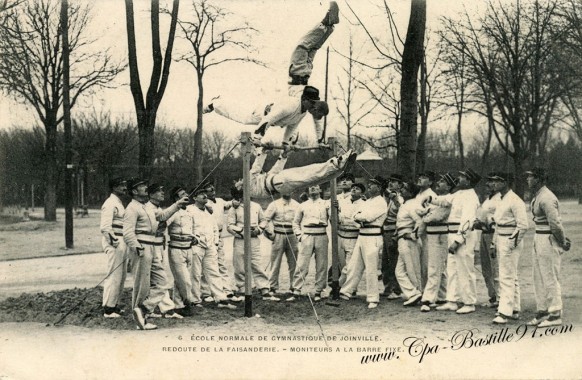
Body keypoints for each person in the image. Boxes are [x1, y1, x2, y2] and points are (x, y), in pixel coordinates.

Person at [123, 179, 189, 330]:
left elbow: (162, 216)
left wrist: (177, 205)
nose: (146, 188)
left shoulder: (146, 207)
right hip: (142, 248)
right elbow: (127, 232)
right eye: (142, 186)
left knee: (162, 282)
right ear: (134, 191)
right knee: (142, 285)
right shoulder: (132, 208)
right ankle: (141, 320)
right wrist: (137, 247)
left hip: (152, 248)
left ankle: (143, 310)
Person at [428, 169, 482, 315]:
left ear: (469, 181)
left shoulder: (471, 197)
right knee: (452, 268)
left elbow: (467, 221)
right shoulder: (458, 193)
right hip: (452, 233)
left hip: (463, 236)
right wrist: (430, 199)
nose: (459, 178)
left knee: (465, 269)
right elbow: (445, 200)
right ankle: (452, 300)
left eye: (463, 177)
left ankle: (469, 302)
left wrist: (458, 240)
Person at [525, 167, 571, 327]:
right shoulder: (538, 196)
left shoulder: (547, 197)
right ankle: (543, 310)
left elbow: (556, 224)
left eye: (530, 177)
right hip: (539, 237)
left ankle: (556, 313)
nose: (528, 180)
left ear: (538, 179)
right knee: (538, 276)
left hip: (548, 239)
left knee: (550, 275)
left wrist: (563, 242)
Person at [231, 146, 357, 200]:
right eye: (237, 183)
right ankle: (337, 163)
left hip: (279, 184)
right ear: (239, 188)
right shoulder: (248, 187)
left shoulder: (253, 187)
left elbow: (273, 172)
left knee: (314, 179)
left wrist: (283, 156)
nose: (239, 181)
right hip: (279, 182)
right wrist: (263, 151)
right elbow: (256, 166)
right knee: (309, 171)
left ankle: (339, 169)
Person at [340, 178, 388, 309]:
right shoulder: (368, 201)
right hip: (362, 235)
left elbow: (368, 217)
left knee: (371, 269)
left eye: (373, 185)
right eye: (370, 184)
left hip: (373, 236)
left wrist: (359, 217)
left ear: (379, 188)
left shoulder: (381, 202)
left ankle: (373, 297)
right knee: (354, 265)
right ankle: (346, 291)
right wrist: (359, 217)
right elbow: (354, 216)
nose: (370, 186)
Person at [187, 187, 238, 309]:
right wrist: (195, 239)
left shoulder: (208, 211)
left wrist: (215, 243)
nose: (205, 196)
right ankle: (195, 300)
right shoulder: (190, 210)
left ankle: (221, 298)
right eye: (201, 194)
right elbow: (188, 228)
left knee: (214, 271)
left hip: (210, 246)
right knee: (195, 273)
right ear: (194, 198)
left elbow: (215, 228)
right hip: (196, 246)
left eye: (205, 194)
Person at [227, 186, 280, 301]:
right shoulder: (234, 208)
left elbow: (263, 220)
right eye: (242, 193)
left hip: (254, 238)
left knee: (257, 263)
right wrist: (242, 232)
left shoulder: (256, 206)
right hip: (241, 239)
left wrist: (259, 229)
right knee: (240, 264)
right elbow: (230, 225)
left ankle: (264, 289)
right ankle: (242, 289)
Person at [488, 173, 528, 324]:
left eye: (497, 181)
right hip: (501, 238)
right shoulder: (501, 199)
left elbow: (523, 225)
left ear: (505, 182)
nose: (494, 184)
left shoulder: (515, 200)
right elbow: (498, 224)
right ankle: (514, 309)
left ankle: (504, 312)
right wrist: (493, 244)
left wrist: (511, 243)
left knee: (506, 276)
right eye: (493, 181)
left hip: (511, 240)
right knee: (511, 275)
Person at [144, 184, 185, 320]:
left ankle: (161, 308)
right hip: (151, 246)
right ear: (150, 194)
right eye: (158, 191)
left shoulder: (158, 207)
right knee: (159, 279)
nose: (162, 193)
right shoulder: (148, 208)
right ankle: (160, 308)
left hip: (159, 245)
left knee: (158, 279)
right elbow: (160, 223)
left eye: (162, 190)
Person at [286, 184, 330, 301]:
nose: (313, 188)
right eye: (310, 187)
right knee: (302, 263)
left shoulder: (326, 204)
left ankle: (318, 291)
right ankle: (296, 290)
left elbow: (333, 218)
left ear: (320, 189)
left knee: (321, 264)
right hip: (307, 235)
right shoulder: (303, 205)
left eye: (316, 187)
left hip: (321, 234)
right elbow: (295, 222)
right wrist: (300, 235)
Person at [418, 173, 454, 312]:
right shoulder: (437, 199)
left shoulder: (447, 200)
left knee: (434, 267)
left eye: (443, 181)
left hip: (439, 235)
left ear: (449, 186)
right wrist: (426, 214)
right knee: (439, 267)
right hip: (432, 235)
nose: (439, 182)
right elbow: (422, 212)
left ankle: (428, 298)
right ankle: (442, 295)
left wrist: (426, 215)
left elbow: (434, 217)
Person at [200, 182, 240, 302]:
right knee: (207, 264)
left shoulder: (220, 201)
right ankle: (206, 292)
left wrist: (236, 195)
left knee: (221, 263)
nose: (212, 192)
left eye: (213, 189)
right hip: (207, 235)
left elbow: (232, 204)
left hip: (219, 235)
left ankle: (227, 290)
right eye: (209, 190)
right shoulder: (203, 203)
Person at [166, 187, 197, 317]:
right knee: (184, 280)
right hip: (176, 248)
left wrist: (195, 237)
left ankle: (178, 306)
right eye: (182, 194)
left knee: (181, 279)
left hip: (188, 248)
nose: (186, 195)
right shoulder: (172, 213)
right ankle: (187, 302)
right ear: (176, 199)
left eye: (186, 193)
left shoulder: (189, 212)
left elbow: (193, 229)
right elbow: (163, 225)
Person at [100, 177, 128, 318]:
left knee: (121, 276)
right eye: (121, 185)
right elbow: (105, 227)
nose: (125, 188)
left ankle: (114, 305)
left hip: (122, 241)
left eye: (124, 185)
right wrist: (115, 243)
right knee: (114, 274)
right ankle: (108, 309)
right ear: (114, 188)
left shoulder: (119, 203)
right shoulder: (110, 203)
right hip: (115, 242)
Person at [473, 174, 501, 308]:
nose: (489, 185)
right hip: (484, 234)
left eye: (492, 182)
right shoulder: (487, 200)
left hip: (494, 234)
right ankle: (492, 296)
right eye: (488, 182)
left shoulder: (500, 199)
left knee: (495, 267)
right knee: (486, 268)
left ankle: (501, 297)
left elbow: (496, 219)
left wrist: (486, 222)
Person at [264, 191, 300, 295]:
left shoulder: (297, 205)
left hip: (292, 235)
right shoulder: (274, 204)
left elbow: (300, 220)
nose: (287, 191)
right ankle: (273, 286)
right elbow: (265, 219)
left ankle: (294, 287)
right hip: (278, 234)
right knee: (275, 262)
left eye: (290, 189)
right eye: (285, 189)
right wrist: (270, 233)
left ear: (293, 191)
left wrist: (299, 234)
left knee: (293, 262)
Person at [394, 182, 424, 307]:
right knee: (399, 271)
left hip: (408, 240)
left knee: (412, 269)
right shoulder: (405, 204)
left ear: (411, 193)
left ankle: (418, 293)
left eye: (405, 189)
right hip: (402, 239)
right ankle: (413, 293)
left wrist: (413, 235)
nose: (401, 190)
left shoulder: (413, 204)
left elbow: (420, 221)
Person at [335, 182, 365, 287]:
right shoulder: (342, 202)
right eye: (353, 188)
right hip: (340, 234)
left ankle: (340, 286)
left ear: (362, 193)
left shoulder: (363, 204)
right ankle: (346, 286)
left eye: (357, 188)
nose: (354, 190)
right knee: (341, 263)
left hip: (353, 236)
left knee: (350, 264)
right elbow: (338, 217)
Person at [381, 174, 405, 299]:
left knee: (394, 260)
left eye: (394, 182)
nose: (391, 183)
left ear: (400, 185)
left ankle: (396, 289)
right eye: (390, 181)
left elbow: (402, 209)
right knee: (385, 261)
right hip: (385, 230)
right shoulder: (387, 197)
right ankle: (387, 287)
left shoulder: (400, 198)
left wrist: (394, 198)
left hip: (393, 230)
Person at [415, 171, 438, 291]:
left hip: (427, 233)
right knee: (420, 263)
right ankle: (422, 289)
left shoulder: (431, 195)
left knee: (427, 263)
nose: (420, 179)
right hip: (418, 231)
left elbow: (430, 213)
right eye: (420, 176)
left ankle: (430, 292)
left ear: (430, 182)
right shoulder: (418, 194)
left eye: (424, 177)